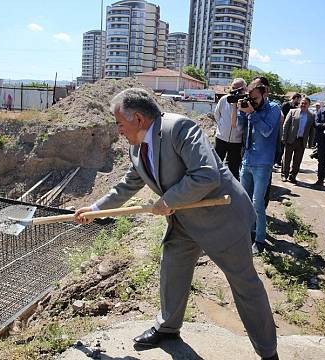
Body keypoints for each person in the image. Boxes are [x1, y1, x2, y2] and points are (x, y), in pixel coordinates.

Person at [74, 88, 279, 360]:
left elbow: (206, 175)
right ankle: (168, 327)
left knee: (244, 284)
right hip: (184, 219)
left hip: (222, 217)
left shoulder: (179, 128)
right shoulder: (137, 147)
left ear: (137, 118)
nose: (118, 130)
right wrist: (97, 209)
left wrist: (169, 199)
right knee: (173, 269)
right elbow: (128, 184)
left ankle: (268, 352)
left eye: (119, 123)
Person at [238, 77, 282, 254]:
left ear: (264, 94)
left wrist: (251, 113)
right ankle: (246, 233)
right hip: (247, 159)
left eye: (255, 98)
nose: (253, 101)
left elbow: (266, 131)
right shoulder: (250, 109)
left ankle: (260, 239)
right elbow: (241, 128)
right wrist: (241, 111)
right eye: (250, 98)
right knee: (244, 201)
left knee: (257, 203)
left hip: (263, 163)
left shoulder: (274, 108)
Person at [213, 78, 247, 179]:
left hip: (236, 141)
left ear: (244, 89)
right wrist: (222, 127)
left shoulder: (245, 102)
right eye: (233, 88)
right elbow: (216, 114)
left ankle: (232, 189)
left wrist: (239, 131)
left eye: (238, 89)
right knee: (216, 164)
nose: (235, 91)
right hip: (221, 138)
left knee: (233, 167)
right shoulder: (224, 99)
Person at [281, 96, 316, 184]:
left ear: (309, 105)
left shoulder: (311, 115)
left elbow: (312, 130)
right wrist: (283, 138)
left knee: (297, 160)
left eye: (305, 103)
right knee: (286, 158)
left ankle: (292, 176)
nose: (303, 105)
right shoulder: (292, 111)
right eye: (302, 103)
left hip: (301, 141)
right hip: (291, 139)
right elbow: (286, 125)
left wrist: (310, 143)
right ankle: (284, 174)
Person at [275, 93, 301, 167]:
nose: (299, 101)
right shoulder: (286, 105)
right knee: (281, 145)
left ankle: (280, 161)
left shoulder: (295, 107)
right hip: (283, 127)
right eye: (299, 99)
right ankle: (277, 161)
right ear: (296, 98)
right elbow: (282, 115)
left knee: (285, 147)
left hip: (290, 130)